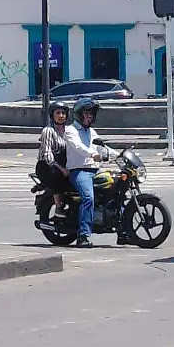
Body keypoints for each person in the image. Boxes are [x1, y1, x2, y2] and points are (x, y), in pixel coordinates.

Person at [64, 98, 107, 248]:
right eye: (86, 113)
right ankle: (83, 235)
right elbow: (78, 147)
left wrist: (120, 154)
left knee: (116, 190)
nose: (89, 117)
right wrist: (92, 154)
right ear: (79, 114)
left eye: (91, 114)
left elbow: (102, 147)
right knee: (88, 197)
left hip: (95, 170)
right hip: (79, 171)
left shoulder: (91, 131)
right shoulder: (71, 130)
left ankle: (123, 231)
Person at [36, 102, 70, 217]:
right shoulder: (48, 131)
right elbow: (47, 153)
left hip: (62, 164)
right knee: (57, 175)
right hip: (46, 166)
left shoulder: (68, 131)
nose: (61, 116)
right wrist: (61, 169)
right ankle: (59, 207)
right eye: (58, 113)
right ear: (52, 115)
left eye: (63, 113)